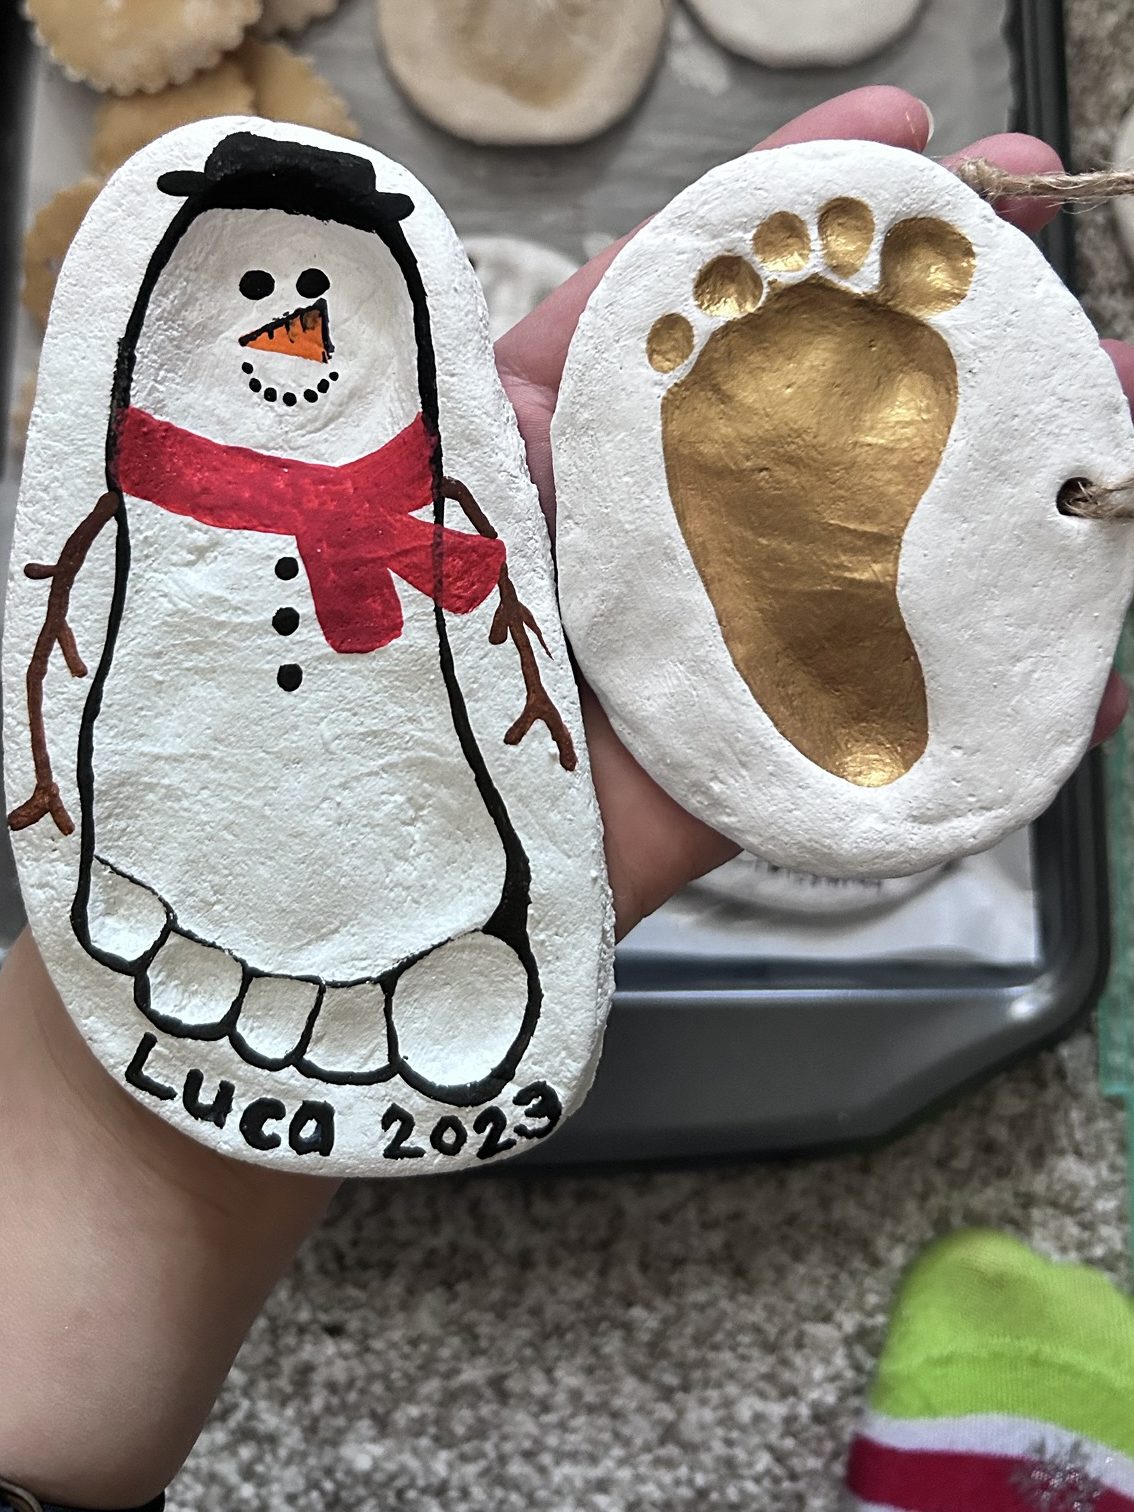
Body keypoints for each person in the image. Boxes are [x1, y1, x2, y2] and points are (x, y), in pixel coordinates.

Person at [0, 86, 1129, 1511]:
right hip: (207, 803)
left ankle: (442, 933)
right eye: (260, 303)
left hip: (386, 815)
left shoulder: (419, 502)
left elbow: (474, 651)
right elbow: (72, 654)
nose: (290, 321)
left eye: (315, 299)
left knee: (413, 811)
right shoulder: (162, 507)